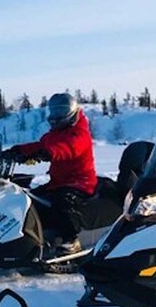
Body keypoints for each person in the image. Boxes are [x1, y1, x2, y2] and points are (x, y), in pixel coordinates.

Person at [7, 93, 97, 256]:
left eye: (60, 112)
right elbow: (40, 145)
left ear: (71, 112)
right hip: (58, 181)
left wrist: (48, 153)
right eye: (54, 112)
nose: (56, 116)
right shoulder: (54, 134)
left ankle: (71, 240)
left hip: (80, 182)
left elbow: (68, 148)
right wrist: (17, 150)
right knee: (30, 199)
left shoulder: (79, 133)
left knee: (62, 201)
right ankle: (35, 237)